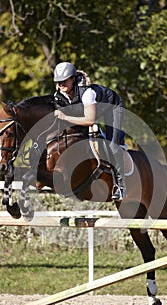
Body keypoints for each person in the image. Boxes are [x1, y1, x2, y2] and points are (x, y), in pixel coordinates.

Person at [53, 61, 126, 201]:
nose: (61, 84)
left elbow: (90, 120)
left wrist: (65, 116)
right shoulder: (59, 95)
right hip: (91, 111)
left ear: (73, 79)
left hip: (112, 107)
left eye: (64, 81)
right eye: (58, 82)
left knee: (112, 145)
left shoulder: (87, 93)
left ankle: (121, 186)